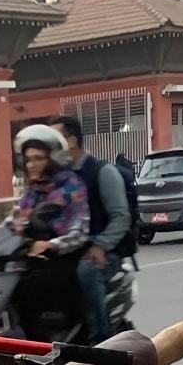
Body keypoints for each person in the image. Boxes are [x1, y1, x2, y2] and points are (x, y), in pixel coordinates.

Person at [49, 115, 133, 343]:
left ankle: (100, 337)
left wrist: (100, 246)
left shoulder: (102, 172)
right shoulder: (57, 178)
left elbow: (120, 217)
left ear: (72, 141)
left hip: (105, 251)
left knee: (87, 270)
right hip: (70, 246)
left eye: (55, 140)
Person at [6, 124, 89, 339]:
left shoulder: (71, 186)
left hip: (64, 257)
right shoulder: (33, 190)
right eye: (28, 159)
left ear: (52, 159)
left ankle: (44, 348)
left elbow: (80, 229)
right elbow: (13, 220)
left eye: (38, 158)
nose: (31, 164)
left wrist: (52, 244)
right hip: (33, 256)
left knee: (27, 289)